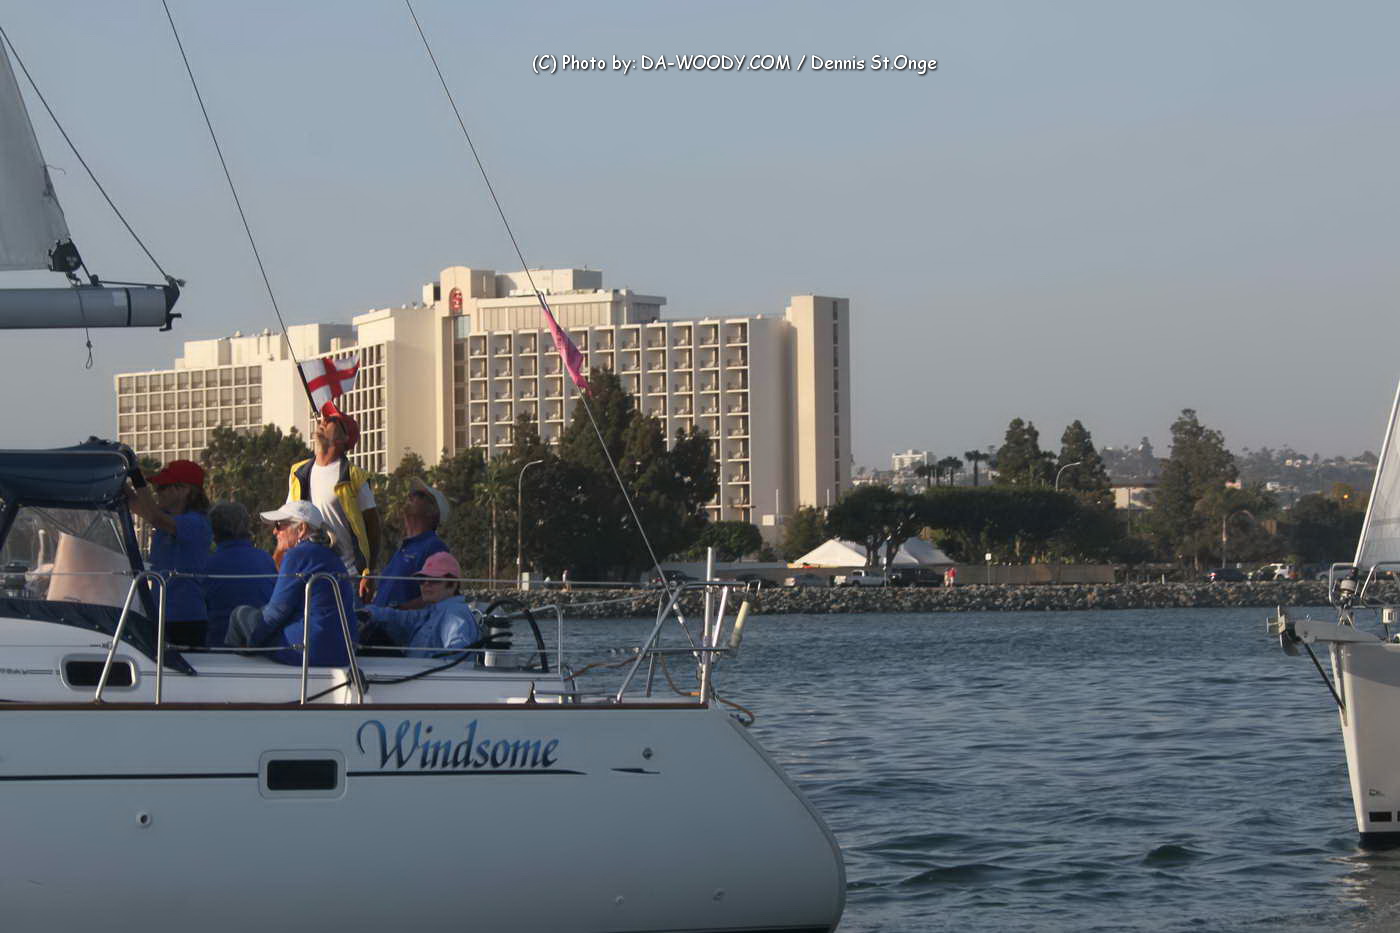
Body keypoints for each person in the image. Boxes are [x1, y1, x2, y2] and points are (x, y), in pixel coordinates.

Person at [227, 501, 357, 666]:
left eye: (279, 525)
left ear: (301, 529)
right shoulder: (333, 556)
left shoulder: (298, 554)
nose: (275, 531)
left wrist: (253, 640)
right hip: (342, 652)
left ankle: (232, 666)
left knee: (240, 614)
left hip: (307, 650)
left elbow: (277, 612)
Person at [285, 407, 380, 598]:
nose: (323, 421)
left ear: (344, 438)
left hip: (347, 576)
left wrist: (369, 572)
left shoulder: (354, 477)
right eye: (324, 418)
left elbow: (373, 527)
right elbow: (289, 519)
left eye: (332, 421)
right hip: (306, 573)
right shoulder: (298, 472)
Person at [126, 458, 212, 648]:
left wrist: (137, 477)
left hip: (185, 619)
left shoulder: (196, 523)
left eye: (162, 488)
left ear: (184, 490)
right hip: (162, 615)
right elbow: (136, 504)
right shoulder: (170, 520)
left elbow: (154, 517)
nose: (157, 492)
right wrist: (120, 477)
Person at [359, 551, 481, 657]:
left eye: (434, 580)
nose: (426, 584)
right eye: (422, 580)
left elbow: (456, 658)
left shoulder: (455, 614)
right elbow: (402, 618)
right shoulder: (433, 612)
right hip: (416, 672)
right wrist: (368, 612)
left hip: (425, 675)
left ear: (453, 585)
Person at [203, 502, 277, 647]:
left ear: (214, 530)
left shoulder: (208, 564)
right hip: (260, 642)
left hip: (220, 643)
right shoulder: (265, 559)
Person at [373, 478, 449, 609]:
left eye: (420, 495)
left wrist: (398, 611)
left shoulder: (435, 547)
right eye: (413, 493)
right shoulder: (404, 547)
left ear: (432, 512)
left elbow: (439, 596)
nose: (411, 496)